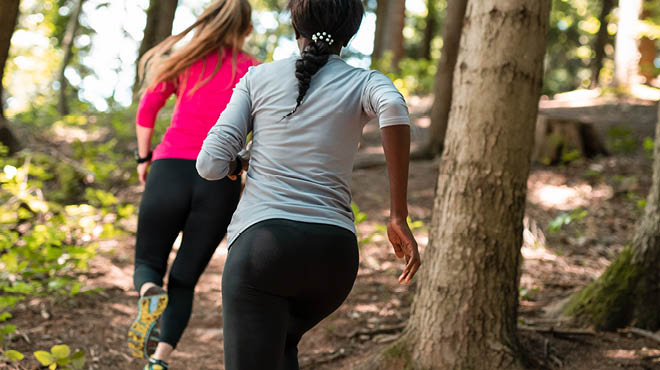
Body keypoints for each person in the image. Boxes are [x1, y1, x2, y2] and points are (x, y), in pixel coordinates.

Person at [196, 0, 421, 368]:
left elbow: (208, 164)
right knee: (282, 347)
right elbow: (394, 110)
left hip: (262, 252)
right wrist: (398, 215)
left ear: (296, 26)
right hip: (333, 259)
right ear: (349, 34)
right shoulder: (366, 81)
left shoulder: (258, 78)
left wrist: (239, 162)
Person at [127, 1, 255, 369]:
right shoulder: (253, 70)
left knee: (149, 263)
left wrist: (143, 158)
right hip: (220, 180)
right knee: (184, 279)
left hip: (168, 169)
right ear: (246, 29)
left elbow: (147, 109)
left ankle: (149, 291)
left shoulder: (184, 59)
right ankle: (159, 361)